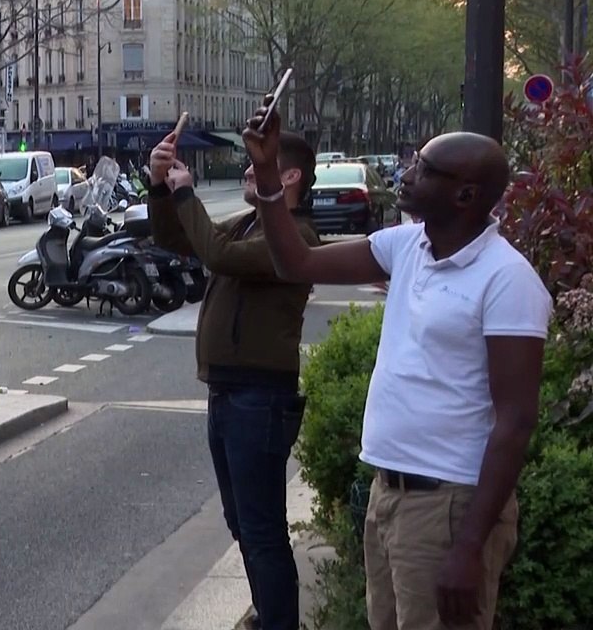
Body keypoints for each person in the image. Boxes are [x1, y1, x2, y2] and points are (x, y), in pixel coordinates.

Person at [240, 100, 552, 630]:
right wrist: (268, 175)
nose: (407, 174)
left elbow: (516, 420)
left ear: (466, 195)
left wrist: (469, 545)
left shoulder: (508, 279)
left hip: (450, 509)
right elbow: (296, 263)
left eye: (425, 169)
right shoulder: (408, 245)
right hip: (390, 496)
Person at [146, 127, 321, 630]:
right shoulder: (251, 222)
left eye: (257, 164)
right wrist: (161, 187)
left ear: (288, 176)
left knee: (262, 529)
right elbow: (178, 238)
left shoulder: (294, 235)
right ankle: (269, 616)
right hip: (230, 394)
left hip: (258, 397)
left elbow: (218, 255)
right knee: (242, 524)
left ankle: (279, 623)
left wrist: (184, 191)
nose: (248, 169)